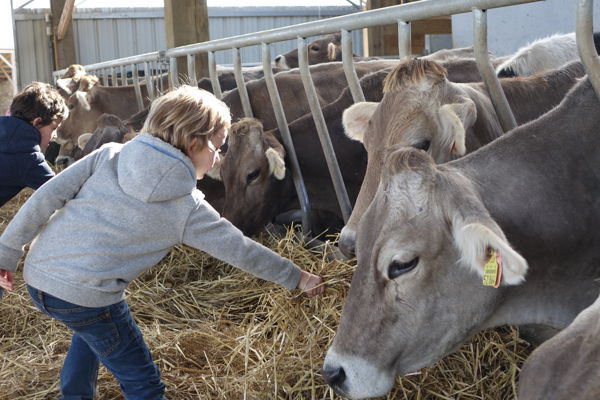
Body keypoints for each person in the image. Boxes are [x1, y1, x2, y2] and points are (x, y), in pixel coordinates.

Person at [0, 85, 324, 400]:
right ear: (195, 142)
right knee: (143, 382)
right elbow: (241, 250)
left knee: (91, 330)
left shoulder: (110, 155)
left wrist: (6, 254)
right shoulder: (187, 208)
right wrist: (297, 277)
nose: (218, 158)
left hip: (40, 279)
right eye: (218, 147)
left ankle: (75, 394)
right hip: (87, 295)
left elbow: (46, 197)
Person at [0, 81, 68, 207]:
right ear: (37, 122)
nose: (55, 136)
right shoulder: (29, 158)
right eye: (54, 129)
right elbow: (61, 191)